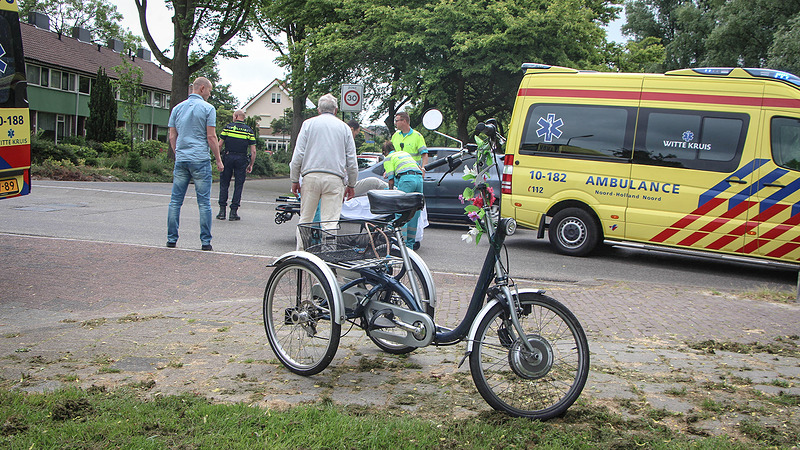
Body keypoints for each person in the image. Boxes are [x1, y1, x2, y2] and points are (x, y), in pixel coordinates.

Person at [290, 93, 358, 249]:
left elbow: (298, 155)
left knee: (305, 219)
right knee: (330, 223)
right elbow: (352, 161)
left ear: (318, 110)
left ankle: (301, 256)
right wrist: (352, 184)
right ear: (335, 110)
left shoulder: (308, 124)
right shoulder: (344, 128)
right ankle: (327, 259)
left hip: (311, 176)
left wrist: (294, 179)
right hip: (335, 179)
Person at [166, 77, 224, 251]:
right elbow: (211, 137)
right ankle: (205, 242)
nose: (210, 94)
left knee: (175, 201)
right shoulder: (208, 108)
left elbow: (172, 135)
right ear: (202, 88)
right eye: (209, 90)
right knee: (204, 203)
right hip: (200, 159)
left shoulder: (177, 108)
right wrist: (219, 160)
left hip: (182, 159)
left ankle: (171, 239)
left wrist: (178, 153)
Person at [216, 110, 257, 221]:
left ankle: (222, 211)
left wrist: (218, 159)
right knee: (238, 185)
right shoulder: (249, 131)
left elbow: (219, 144)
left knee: (224, 183)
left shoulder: (228, 127)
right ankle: (233, 212)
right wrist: (251, 164)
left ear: (236, 116)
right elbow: (253, 151)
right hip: (241, 158)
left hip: (228, 157)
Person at [382, 140, 423, 249]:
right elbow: (419, 168)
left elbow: (391, 181)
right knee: (414, 212)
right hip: (419, 179)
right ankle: (410, 244)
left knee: (401, 211)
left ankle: (401, 244)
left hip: (406, 180)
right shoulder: (404, 153)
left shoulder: (388, 158)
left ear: (384, 152)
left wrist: (391, 194)